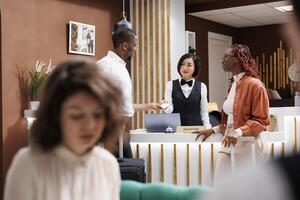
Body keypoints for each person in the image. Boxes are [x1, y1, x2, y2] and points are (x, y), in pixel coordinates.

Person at [4, 61, 123, 200]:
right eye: (77, 116)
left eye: (97, 115)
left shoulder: (107, 164)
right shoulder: (28, 164)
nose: (90, 125)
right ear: (55, 115)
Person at [195, 44, 270, 187]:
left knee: (246, 192)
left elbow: (262, 121)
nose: (221, 60)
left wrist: (239, 131)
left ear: (236, 59)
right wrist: (214, 130)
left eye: (225, 57)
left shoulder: (255, 85)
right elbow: (232, 118)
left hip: (248, 144)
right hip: (229, 142)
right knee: (220, 186)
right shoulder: (233, 84)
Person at [97, 27, 160, 157]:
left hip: (120, 139)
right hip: (114, 139)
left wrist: (147, 106)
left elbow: (122, 106)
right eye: (135, 45)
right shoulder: (109, 67)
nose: (136, 49)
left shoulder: (115, 66)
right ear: (125, 45)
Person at [162, 53, 211, 127]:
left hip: (196, 130)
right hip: (176, 129)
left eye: (189, 65)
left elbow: (204, 111)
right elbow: (169, 110)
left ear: (195, 68)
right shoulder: (170, 85)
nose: (185, 68)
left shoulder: (202, 86)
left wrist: (207, 128)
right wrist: (165, 106)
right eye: (182, 64)